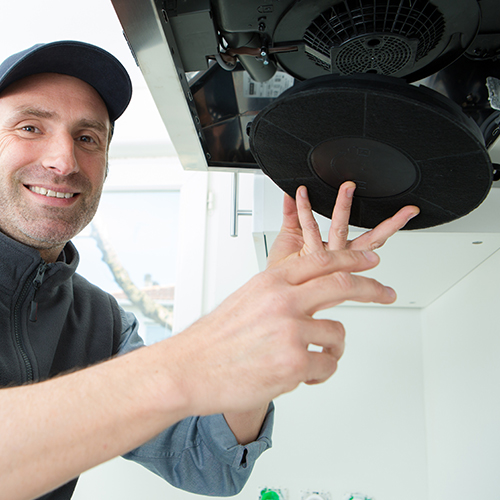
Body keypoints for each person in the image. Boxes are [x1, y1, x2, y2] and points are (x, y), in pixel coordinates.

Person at [0, 41, 419, 500]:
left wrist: (271, 307)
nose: (63, 160)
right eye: (29, 127)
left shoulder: (101, 322)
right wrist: (186, 364)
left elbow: (206, 465)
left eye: (87, 139)